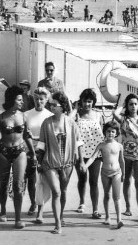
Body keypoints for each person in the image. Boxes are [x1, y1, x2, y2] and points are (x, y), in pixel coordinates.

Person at [0, 85, 34, 228]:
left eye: (22, 99)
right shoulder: (1, 118)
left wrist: (33, 154)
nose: (22, 102)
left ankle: (17, 219)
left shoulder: (23, 116)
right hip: (3, 152)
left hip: (20, 151)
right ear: (12, 100)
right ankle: (3, 210)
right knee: (3, 184)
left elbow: (27, 136)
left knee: (18, 185)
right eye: (19, 99)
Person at [39, 92, 84, 234]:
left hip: (67, 163)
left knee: (63, 191)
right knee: (56, 192)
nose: (51, 107)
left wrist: (82, 161)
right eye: (50, 104)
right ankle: (57, 224)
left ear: (62, 107)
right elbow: (41, 145)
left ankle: (61, 215)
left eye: (54, 105)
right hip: (50, 162)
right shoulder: (46, 123)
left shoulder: (71, 123)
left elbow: (79, 143)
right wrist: (38, 162)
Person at [115, 93, 138, 222]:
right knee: (127, 180)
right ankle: (128, 207)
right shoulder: (124, 120)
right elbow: (115, 114)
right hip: (127, 154)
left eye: (135, 104)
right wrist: (122, 105)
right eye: (130, 104)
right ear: (127, 106)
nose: (133, 106)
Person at [73, 89, 105, 218]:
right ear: (81, 101)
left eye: (90, 102)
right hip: (80, 153)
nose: (87, 104)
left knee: (94, 181)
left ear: (93, 102)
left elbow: (102, 134)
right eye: (85, 101)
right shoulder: (77, 115)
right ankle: (82, 202)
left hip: (95, 154)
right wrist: (75, 108)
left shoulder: (98, 115)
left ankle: (95, 209)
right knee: (82, 179)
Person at [85, 122, 125, 227]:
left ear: (116, 133)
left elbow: (121, 161)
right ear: (104, 132)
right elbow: (93, 157)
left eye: (113, 131)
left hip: (116, 172)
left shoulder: (119, 146)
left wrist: (123, 173)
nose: (110, 133)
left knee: (117, 197)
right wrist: (85, 166)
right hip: (105, 172)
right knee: (107, 194)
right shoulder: (101, 145)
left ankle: (119, 219)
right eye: (108, 131)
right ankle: (107, 217)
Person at [23, 87, 52, 223]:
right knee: (31, 180)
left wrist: (34, 137)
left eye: (41, 99)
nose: (38, 101)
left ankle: (40, 211)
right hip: (28, 151)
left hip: (44, 152)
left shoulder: (49, 116)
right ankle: (34, 202)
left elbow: (49, 137)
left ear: (46, 100)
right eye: (36, 99)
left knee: (41, 181)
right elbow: (24, 134)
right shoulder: (26, 115)